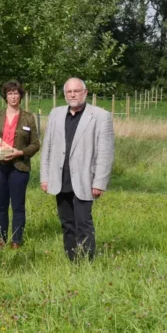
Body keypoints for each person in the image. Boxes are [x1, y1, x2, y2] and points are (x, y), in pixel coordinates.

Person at [40, 77, 115, 262]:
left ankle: (87, 261)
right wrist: (45, 177)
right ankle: (72, 259)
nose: (72, 95)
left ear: (85, 93)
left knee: (83, 222)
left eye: (76, 91)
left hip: (85, 180)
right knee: (67, 223)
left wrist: (99, 182)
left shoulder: (100, 116)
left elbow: (105, 153)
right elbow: (47, 147)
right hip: (60, 178)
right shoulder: (56, 114)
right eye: (69, 92)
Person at [0, 80, 41, 248]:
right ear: (5, 96)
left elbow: (35, 144)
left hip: (19, 166)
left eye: (16, 93)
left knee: (18, 206)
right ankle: (1, 240)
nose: (13, 97)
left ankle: (16, 241)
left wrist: (20, 153)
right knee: (1, 205)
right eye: (10, 93)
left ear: (20, 96)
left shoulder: (28, 117)